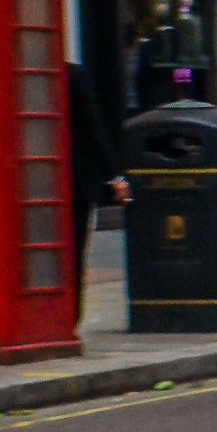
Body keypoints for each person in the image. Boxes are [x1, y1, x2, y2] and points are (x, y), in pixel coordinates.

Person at [65, 62, 128, 327]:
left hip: (40, 184)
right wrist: (116, 177)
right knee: (75, 252)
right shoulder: (75, 75)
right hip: (77, 182)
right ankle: (71, 318)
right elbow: (94, 129)